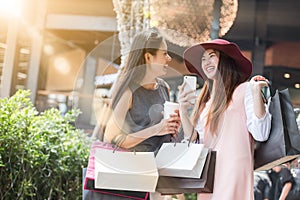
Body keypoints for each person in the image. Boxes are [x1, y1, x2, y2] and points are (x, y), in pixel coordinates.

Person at [178, 39, 272, 200]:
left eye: (211, 56)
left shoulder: (244, 90)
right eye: (203, 59)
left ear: (225, 60)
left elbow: (261, 134)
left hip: (233, 171)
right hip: (209, 174)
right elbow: (194, 142)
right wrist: (182, 109)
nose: (206, 63)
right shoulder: (205, 102)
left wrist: (256, 92)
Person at [103, 29, 181, 200]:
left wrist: (172, 128)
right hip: (131, 180)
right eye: (164, 53)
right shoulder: (129, 92)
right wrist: (156, 129)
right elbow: (112, 139)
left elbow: (163, 135)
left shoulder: (163, 88)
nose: (169, 58)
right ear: (148, 57)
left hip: (156, 179)